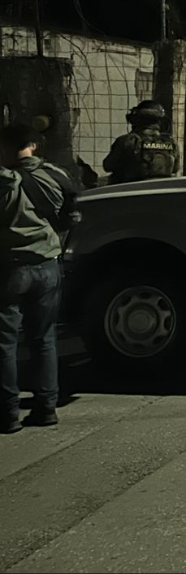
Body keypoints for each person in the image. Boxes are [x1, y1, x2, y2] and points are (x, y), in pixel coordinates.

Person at [0, 125, 66, 433]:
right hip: (47, 263)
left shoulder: (4, 181)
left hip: (10, 268)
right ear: (33, 146)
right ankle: (46, 407)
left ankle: (7, 413)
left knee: (5, 343)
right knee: (43, 339)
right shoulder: (49, 175)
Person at [103, 100, 179, 184]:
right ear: (160, 121)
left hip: (129, 192)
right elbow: (176, 168)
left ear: (136, 120)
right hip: (162, 191)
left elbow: (108, 166)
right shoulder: (171, 142)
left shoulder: (127, 141)